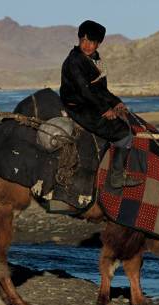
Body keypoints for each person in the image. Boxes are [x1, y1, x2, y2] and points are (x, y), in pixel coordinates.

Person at [60, 20, 141, 188]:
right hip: (80, 107)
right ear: (79, 40)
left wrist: (116, 102)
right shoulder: (75, 61)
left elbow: (101, 89)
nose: (87, 45)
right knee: (124, 133)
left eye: (92, 42)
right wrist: (105, 109)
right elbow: (85, 90)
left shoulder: (95, 60)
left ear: (98, 44)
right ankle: (117, 177)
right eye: (84, 40)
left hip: (90, 103)